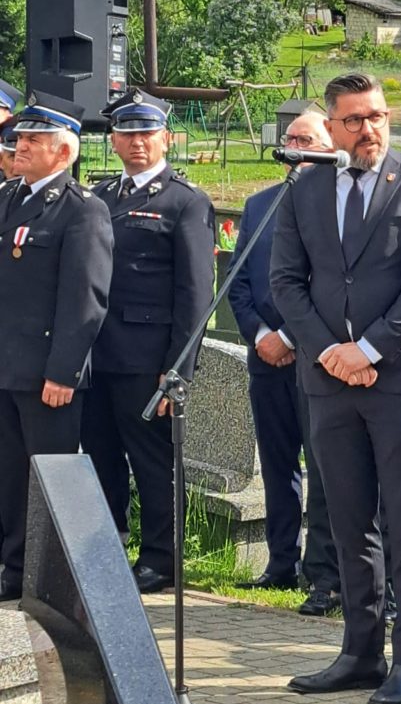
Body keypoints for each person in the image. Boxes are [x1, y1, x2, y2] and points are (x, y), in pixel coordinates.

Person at [270, 72, 401, 704]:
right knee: (348, 521)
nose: (369, 129)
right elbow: (286, 281)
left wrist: (368, 349)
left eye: (377, 116)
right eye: (354, 120)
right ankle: (359, 652)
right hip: (329, 382)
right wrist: (330, 352)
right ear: (331, 126)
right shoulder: (304, 188)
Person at [80, 89, 215, 594]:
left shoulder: (185, 201)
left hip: (147, 358)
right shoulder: (100, 195)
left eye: (147, 133)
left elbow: (196, 293)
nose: (137, 142)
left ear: (166, 139)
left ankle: (162, 557)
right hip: (95, 353)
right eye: (127, 133)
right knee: (99, 456)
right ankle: (107, 548)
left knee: (153, 462)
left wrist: (178, 369)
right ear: (113, 140)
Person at [0, 91, 113, 601]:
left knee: (48, 480)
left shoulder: (82, 210)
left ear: (63, 152)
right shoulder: (8, 197)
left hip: (46, 372)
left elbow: (84, 300)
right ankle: (14, 568)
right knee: (9, 475)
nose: (19, 145)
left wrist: (63, 372)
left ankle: (49, 580)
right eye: (19, 137)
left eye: (33, 139)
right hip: (5, 367)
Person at [229, 109, 341, 615]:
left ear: (329, 146)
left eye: (307, 138)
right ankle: (280, 562)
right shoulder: (260, 205)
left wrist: (292, 337)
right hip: (265, 357)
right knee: (277, 464)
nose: (294, 146)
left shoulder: (338, 205)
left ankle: (323, 574)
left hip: (316, 358)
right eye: (290, 137)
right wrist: (260, 334)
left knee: (323, 467)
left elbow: (330, 286)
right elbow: (238, 281)